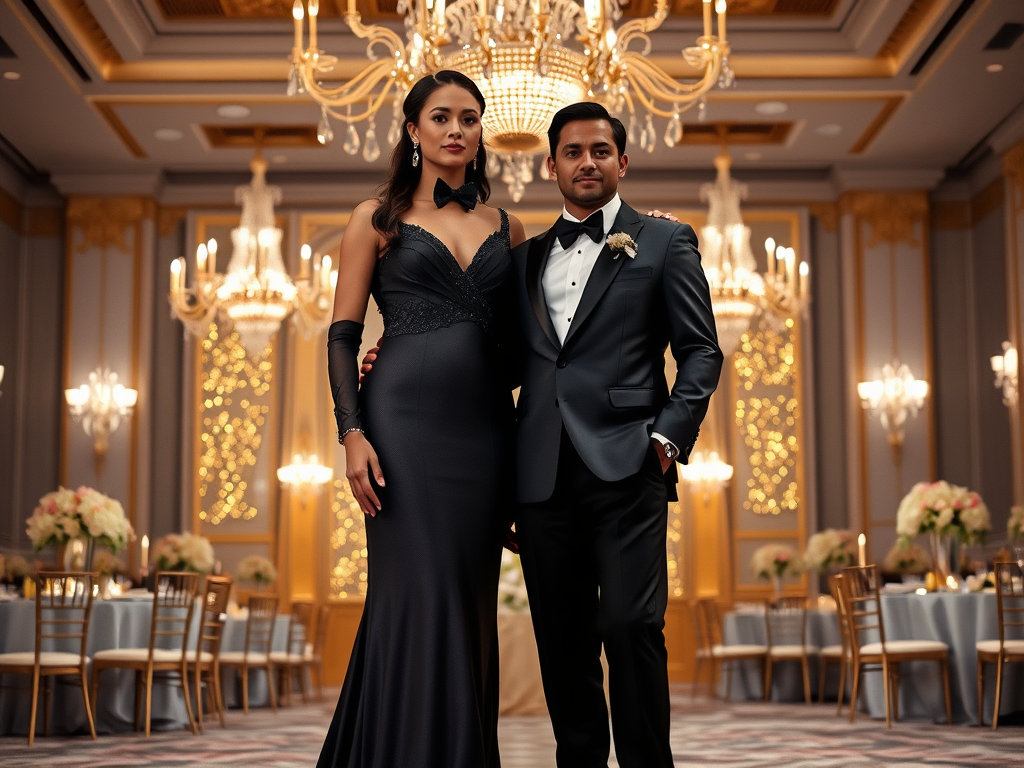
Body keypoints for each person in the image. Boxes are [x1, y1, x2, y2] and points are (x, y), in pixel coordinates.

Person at [318, 70, 526, 768]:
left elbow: (524, 349)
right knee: (421, 595)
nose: (457, 129)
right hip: (400, 429)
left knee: (468, 601)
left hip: (487, 435)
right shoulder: (373, 219)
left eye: (470, 118)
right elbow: (342, 335)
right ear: (413, 131)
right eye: (441, 117)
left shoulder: (508, 226)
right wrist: (352, 434)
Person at [510, 102, 722, 768]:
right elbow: (500, 362)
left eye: (600, 151)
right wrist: (386, 357)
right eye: (572, 152)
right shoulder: (523, 261)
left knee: (632, 627)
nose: (586, 162)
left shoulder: (664, 240)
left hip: (630, 464)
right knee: (563, 642)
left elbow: (701, 352)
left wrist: (665, 441)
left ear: (622, 162)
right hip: (541, 476)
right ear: (551, 165)